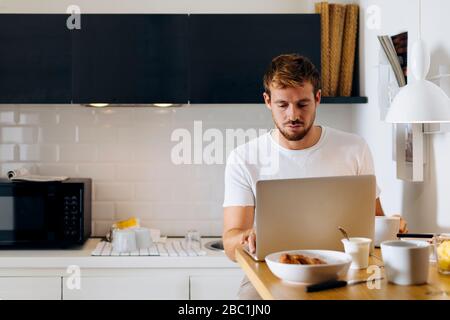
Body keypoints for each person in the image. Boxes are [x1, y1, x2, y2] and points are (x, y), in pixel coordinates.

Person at [222, 54, 407, 300]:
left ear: (317, 98)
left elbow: (373, 225)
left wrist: (391, 226)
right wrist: (247, 237)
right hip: (270, 272)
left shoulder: (354, 148)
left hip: (344, 271)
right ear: (267, 101)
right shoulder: (244, 158)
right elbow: (230, 246)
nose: (293, 115)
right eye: (282, 105)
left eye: (302, 104)